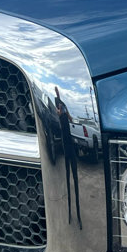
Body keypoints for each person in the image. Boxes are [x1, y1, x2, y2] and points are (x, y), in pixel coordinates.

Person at [53, 87, 81, 229]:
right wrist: (60, 112)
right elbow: (59, 113)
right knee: (67, 174)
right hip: (65, 145)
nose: (60, 107)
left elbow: (69, 117)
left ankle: (78, 215)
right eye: (59, 106)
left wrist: (66, 113)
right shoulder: (59, 113)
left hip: (69, 144)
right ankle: (69, 212)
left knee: (74, 176)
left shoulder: (64, 111)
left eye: (61, 106)